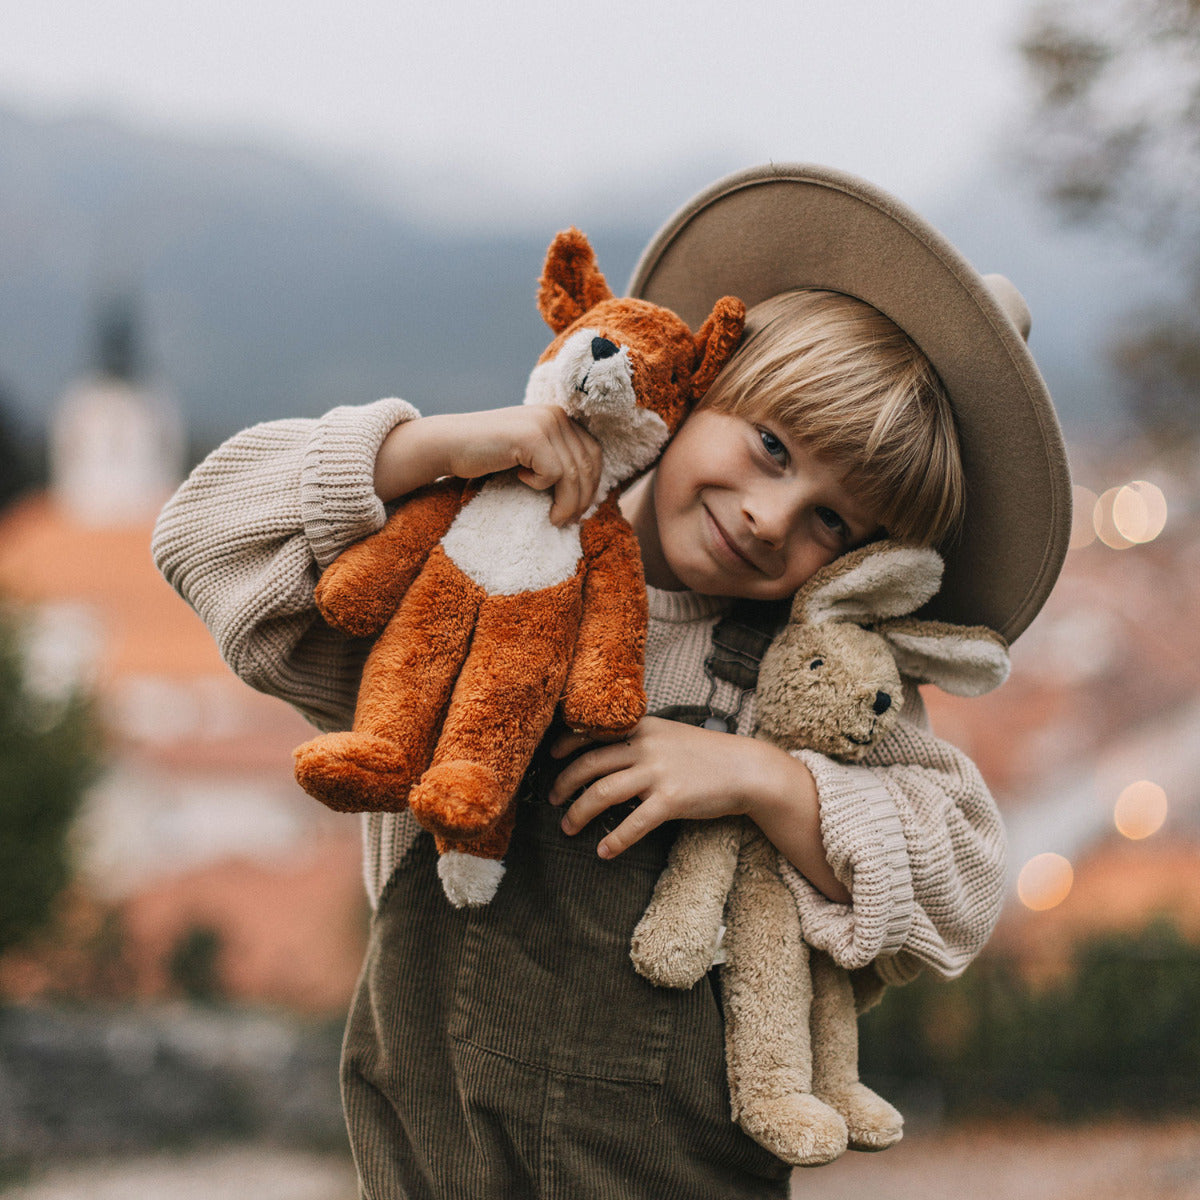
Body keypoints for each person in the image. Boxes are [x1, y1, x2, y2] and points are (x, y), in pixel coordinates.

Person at [152, 164, 1071, 1199]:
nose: (774, 517)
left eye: (835, 521)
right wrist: (437, 445)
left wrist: (760, 779)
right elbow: (206, 538)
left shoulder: (816, 678)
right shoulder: (485, 555)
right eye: (771, 447)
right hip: (435, 1160)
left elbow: (962, 885)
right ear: (697, 391)